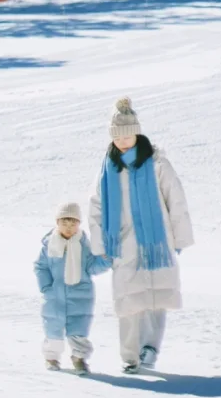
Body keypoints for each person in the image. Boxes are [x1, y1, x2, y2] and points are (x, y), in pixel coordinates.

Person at [89, 97, 193, 373]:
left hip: (157, 242)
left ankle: (150, 349)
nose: (123, 141)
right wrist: (100, 245)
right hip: (123, 242)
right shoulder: (109, 168)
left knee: (155, 297)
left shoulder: (157, 162)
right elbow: (97, 206)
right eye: (117, 136)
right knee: (128, 299)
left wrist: (179, 238)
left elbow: (176, 199)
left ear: (137, 132)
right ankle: (129, 355)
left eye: (127, 135)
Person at [33, 200, 111, 374]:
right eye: (64, 223)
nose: (69, 227)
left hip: (80, 295)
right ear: (57, 223)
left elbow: (92, 267)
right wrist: (46, 287)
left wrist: (106, 260)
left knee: (79, 330)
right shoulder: (49, 245)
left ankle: (79, 358)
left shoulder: (84, 245)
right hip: (54, 296)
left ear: (79, 224)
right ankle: (52, 357)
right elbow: (40, 266)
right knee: (53, 328)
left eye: (73, 223)